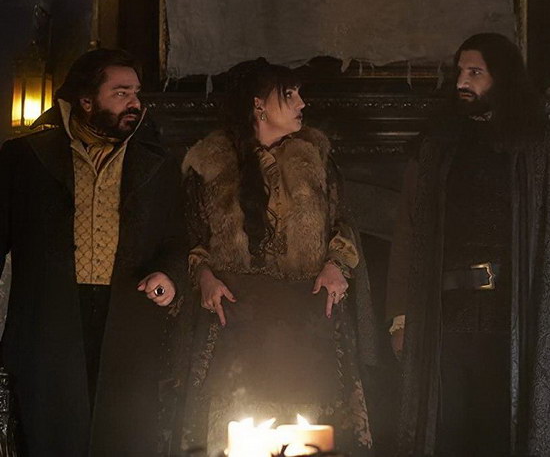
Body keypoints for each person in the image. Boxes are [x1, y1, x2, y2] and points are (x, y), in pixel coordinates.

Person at [166, 58, 376, 456]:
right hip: (236, 314)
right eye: (290, 94)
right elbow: (191, 238)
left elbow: (343, 224)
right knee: (240, 427)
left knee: (306, 427)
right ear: (259, 104)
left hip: (305, 311)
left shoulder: (315, 158)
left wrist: (335, 264)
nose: (302, 103)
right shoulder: (210, 163)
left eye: (299, 93)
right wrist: (204, 276)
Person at [0, 48, 186, 457]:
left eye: (136, 93)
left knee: (121, 436)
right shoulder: (26, 159)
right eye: (121, 93)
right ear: (86, 100)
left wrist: (168, 276)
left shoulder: (157, 165)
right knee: (51, 436)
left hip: (127, 319)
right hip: (48, 321)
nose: (134, 103)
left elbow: (177, 240)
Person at [386, 33, 550, 456]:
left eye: (475, 72)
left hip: (509, 315)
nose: (462, 81)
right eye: (460, 71)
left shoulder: (532, 148)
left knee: (501, 430)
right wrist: (401, 318)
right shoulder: (438, 146)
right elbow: (408, 230)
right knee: (447, 430)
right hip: (445, 314)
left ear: (501, 78)